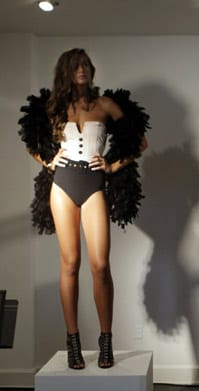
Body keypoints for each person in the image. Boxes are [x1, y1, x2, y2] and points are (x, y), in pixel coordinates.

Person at [23, 48, 148, 369]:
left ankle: (106, 341)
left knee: (100, 265)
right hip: (62, 185)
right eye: (75, 65)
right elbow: (30, 138)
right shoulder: (52, 106)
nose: (81, 69)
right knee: (70, 263)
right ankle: (73, 340)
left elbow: (140, 141)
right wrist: (48, 160)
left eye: (85, 65)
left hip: (94, 184)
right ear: (66, 70)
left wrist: (113, 164)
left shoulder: (105, 105)